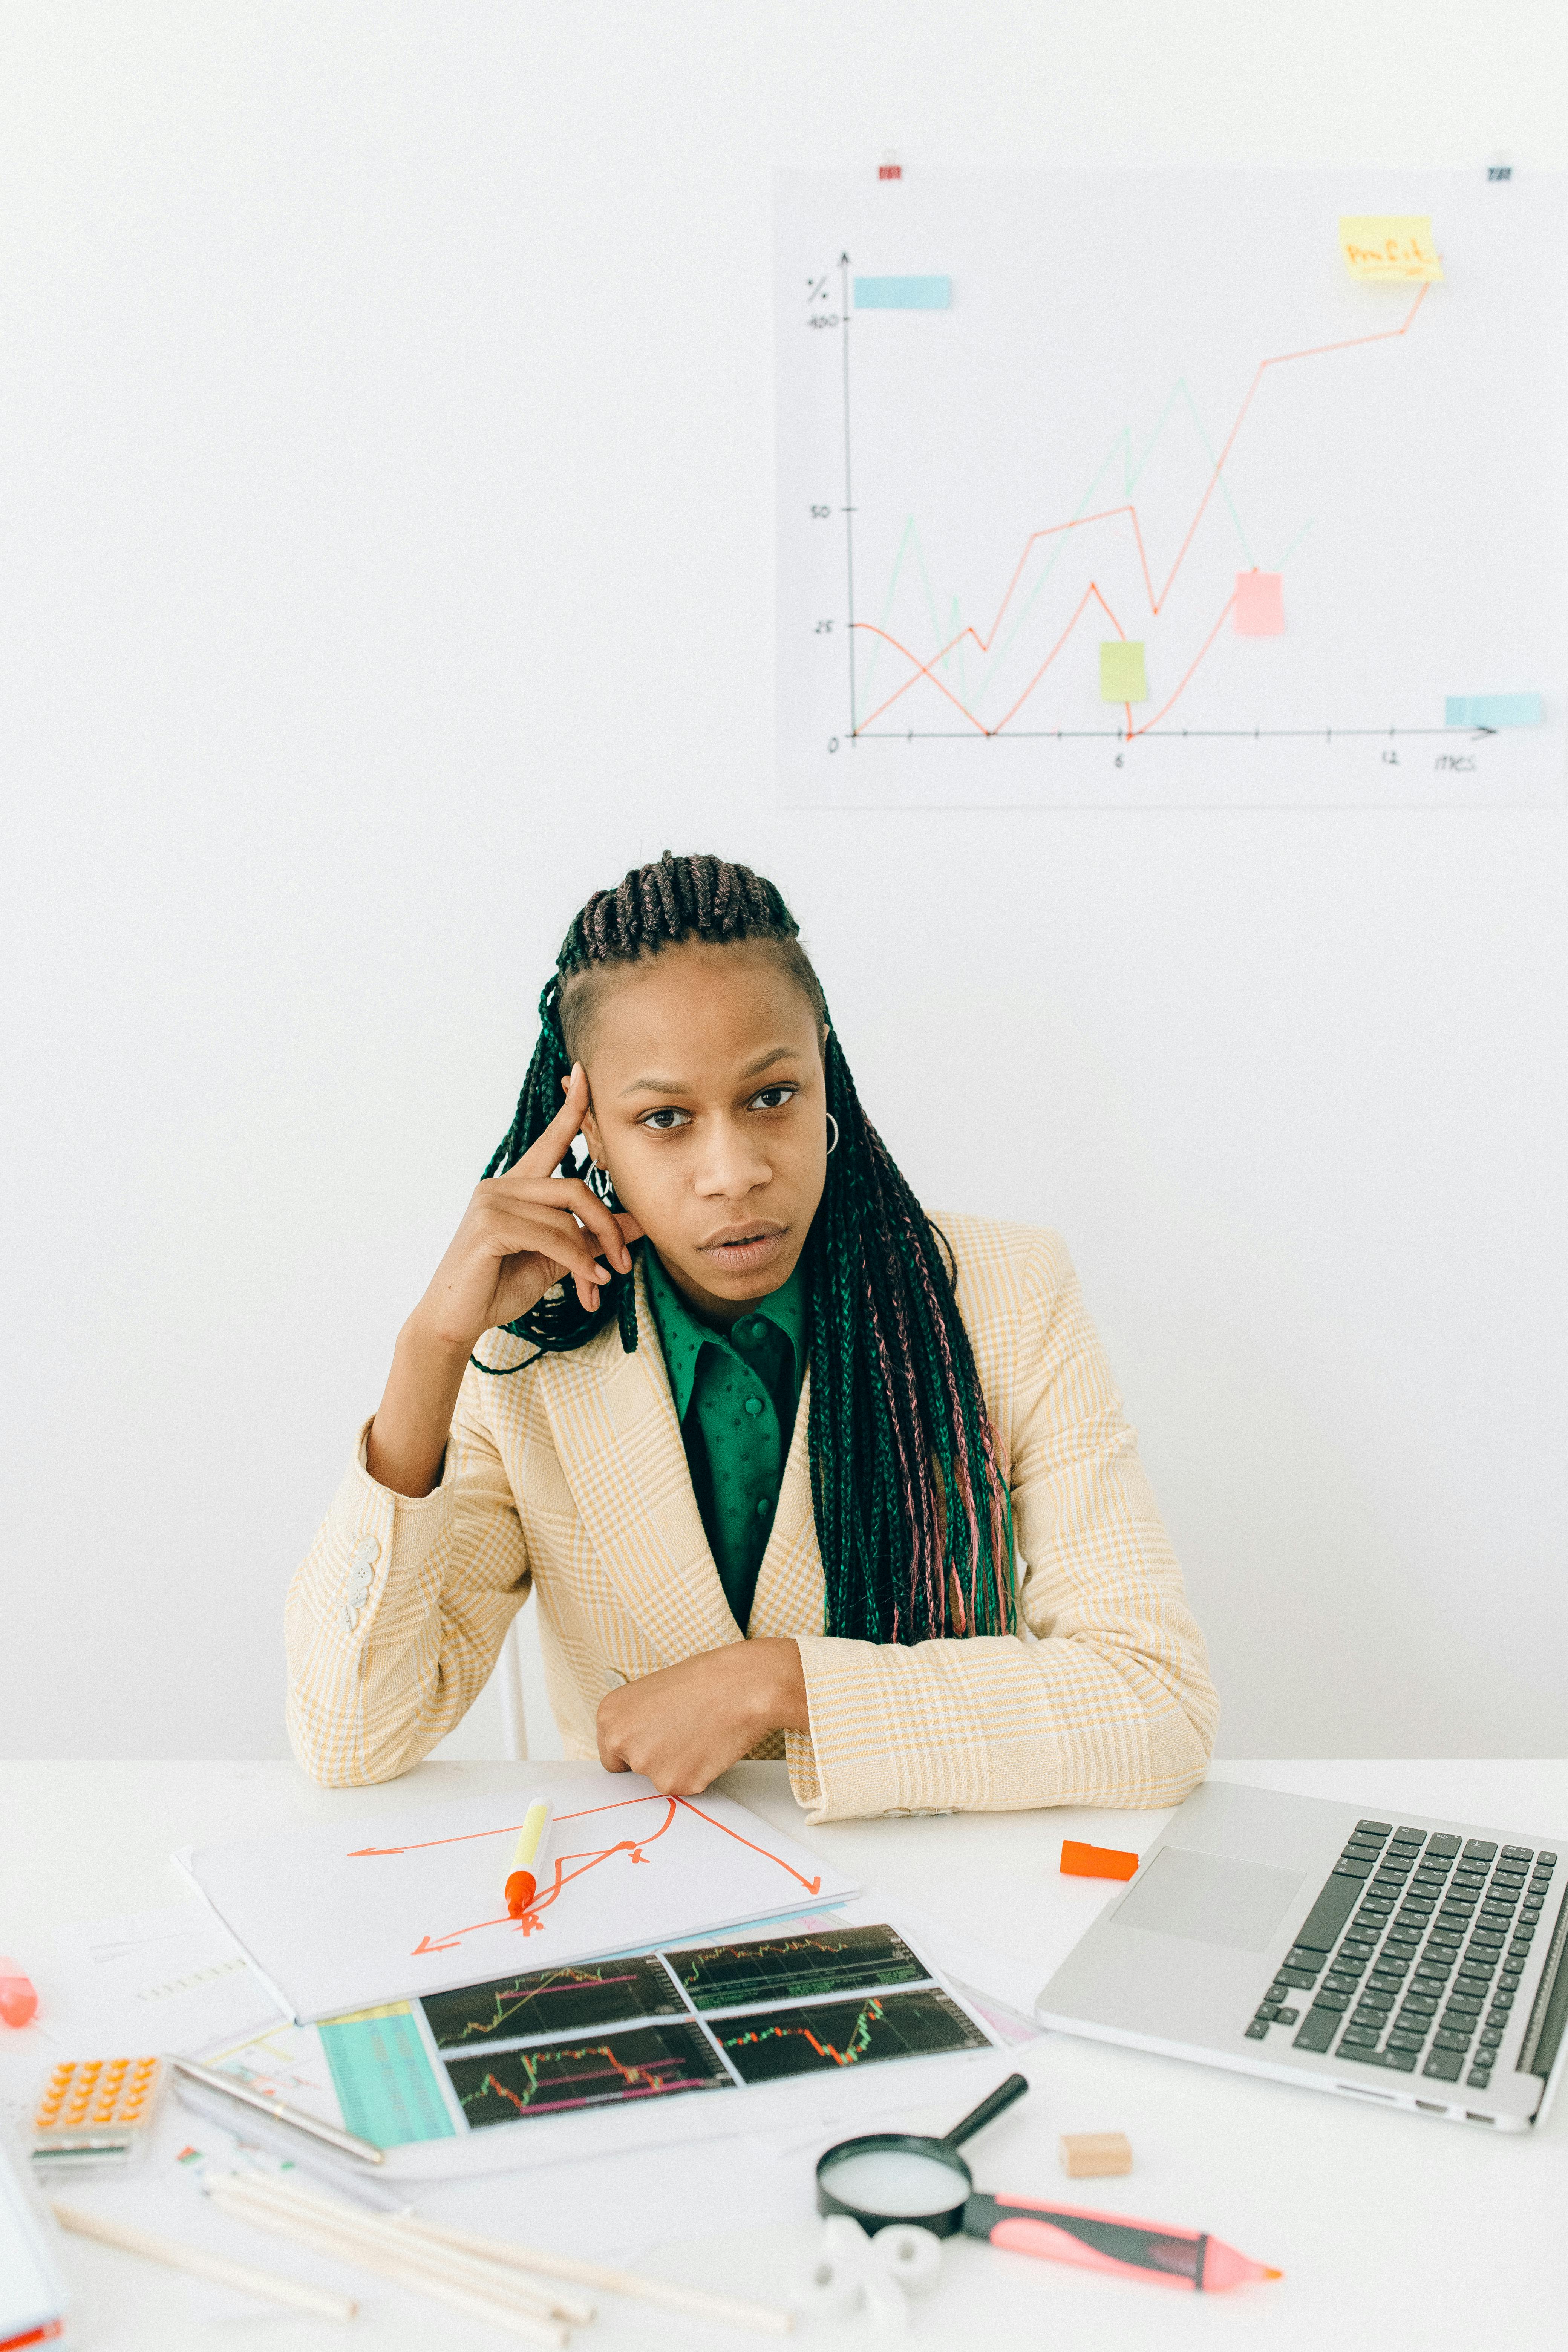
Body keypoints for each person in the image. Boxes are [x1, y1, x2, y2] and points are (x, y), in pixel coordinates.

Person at [286, 851, 1217, 1821]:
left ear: (828, 1083)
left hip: (948, 1896)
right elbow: (353, 1739)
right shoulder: (527, 1358)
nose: (733, 1173)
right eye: (663, 1119)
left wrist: (780, 1683)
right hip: (652, 1903)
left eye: (772, 1097)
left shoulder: (1004, 1297)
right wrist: (429, 1351)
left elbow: (1156, 1703)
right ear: (589, 1134)